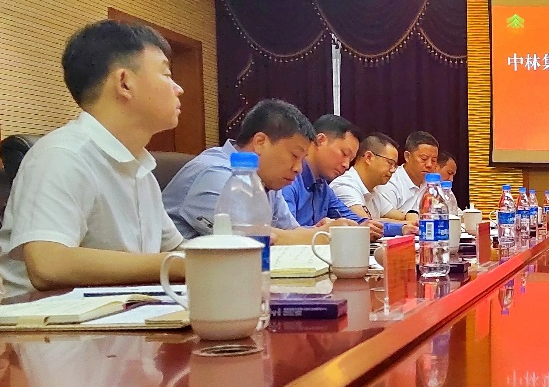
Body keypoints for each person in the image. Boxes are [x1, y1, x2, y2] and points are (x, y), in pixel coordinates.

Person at [0, 20, 186, 294]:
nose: (178, 88)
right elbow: (49, 264)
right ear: (124, 83)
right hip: (48, 320)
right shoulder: (62, 155)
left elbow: (175, 248)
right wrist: (177, 265)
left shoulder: (140, 168)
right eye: (166, 74)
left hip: (126, 314)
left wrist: (229, 254)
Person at [162, 99, 330, 244]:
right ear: (260, 142)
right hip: (172, 270)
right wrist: (320, 236)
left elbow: (291, 232)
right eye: (294, 155)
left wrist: (324, 230)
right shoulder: (214, 173)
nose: (298, 169)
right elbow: (249, 239)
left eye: (302, 160)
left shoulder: (266, 180)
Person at [279, 115, 382, 238]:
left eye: (351, 160)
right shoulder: (288, 178)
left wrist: (401, 228)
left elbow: (361, 222)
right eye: (344, 153)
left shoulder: (323, 188)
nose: (346, 165)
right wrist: (325, 230)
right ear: (320, 140)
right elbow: (284, 231)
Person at [370, 131, 439, 222]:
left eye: (433, 160)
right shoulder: (390, 181)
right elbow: (382, 217)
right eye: (424, 159)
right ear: (407, 156)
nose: (429, 165)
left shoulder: (432, 185)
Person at [331, 132, 399, 219]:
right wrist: (405, 224)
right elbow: (365, 223)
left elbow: (398, 216)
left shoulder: (374, 191)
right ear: (368, 157)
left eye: (395, 165)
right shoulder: (344, 186)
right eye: (390, 163)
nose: (393, 170)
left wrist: (410, 215)